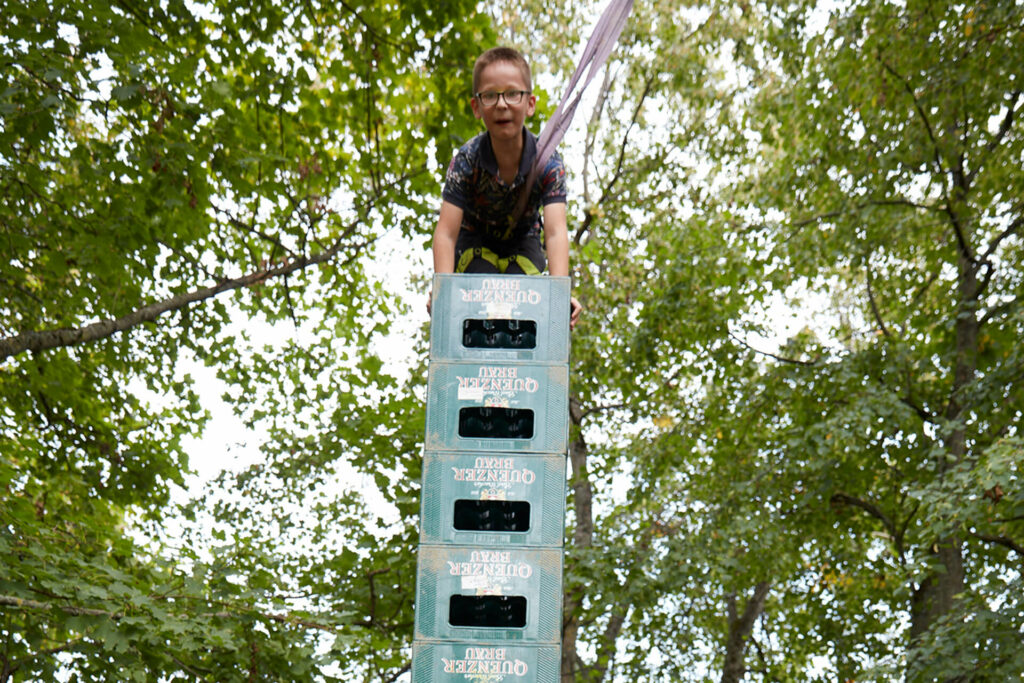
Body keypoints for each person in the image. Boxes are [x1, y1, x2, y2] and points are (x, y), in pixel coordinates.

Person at [429, 47, 582, 328]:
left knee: (519, 303)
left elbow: (556, 231)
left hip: (523, 244)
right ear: (476, 106)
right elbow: (446, 233)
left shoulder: (548, 161)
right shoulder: (466, 161)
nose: (502, 104)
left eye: (513, 94)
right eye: (490, 95)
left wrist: (560, 295)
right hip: (474, 244)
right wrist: (443, 292)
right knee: (482, 300)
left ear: (530, 103)